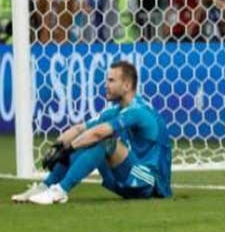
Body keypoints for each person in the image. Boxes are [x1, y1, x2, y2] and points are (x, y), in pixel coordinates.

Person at [13, 61, 172, 205]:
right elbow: (79, 129)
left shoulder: (139, 111)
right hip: (127, 180)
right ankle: (44, 186)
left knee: (104, 141)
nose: (106, 85)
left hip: (149, 182)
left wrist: (69, 149)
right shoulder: (115, 111)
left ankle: (60, 191)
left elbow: (97, 134)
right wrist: (58, 146)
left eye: (111, 80)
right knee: (85, 139)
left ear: (127, 85)